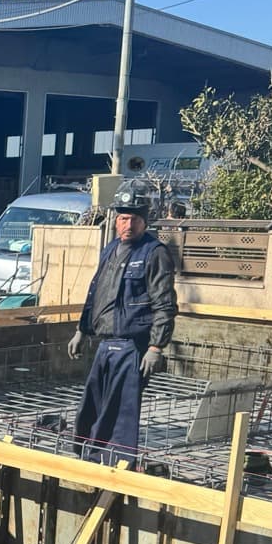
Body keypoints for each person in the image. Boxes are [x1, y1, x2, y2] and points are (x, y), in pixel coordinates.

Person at [68, 188, 177, 463]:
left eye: (135, 220)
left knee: (120, 414)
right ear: (116, 221)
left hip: (132, 347)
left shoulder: (154, 253)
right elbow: (96, 292)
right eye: (123, 219)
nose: (128, 225)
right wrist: (82, 330)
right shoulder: (111, 249)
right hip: (106, 344)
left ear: (145, 222)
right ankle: (86, 454)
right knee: (92, 405)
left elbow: (164, 304)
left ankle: (114, 463)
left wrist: (155, 347)